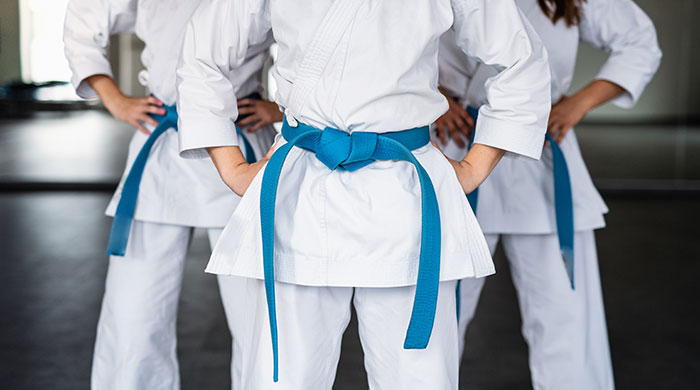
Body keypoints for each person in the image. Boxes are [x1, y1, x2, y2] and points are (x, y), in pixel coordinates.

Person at [176, 0, 551, 388]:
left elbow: (523, 59)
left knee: (417, 378)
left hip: (404, 193)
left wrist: (476, 165)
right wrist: (230, 164)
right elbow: (202, 52)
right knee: (284, 378)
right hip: (301, 190)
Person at [435, 0, 661, 388]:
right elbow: (385, 44)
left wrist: (578, 103)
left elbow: (640, 42)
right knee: (435, 312)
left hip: (540, 155)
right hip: (455, 150)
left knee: (564, 314)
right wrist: (431, 99)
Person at [63, 0, 279, 388]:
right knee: (133, 310)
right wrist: (114, 98)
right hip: (161, 141)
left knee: (258, 313)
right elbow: (84, 20)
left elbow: (306, 39)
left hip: (239, 140)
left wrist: (280, 107)